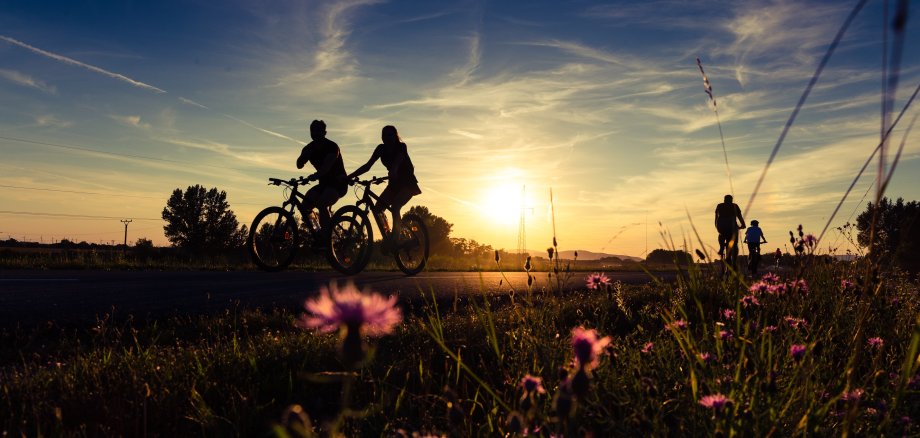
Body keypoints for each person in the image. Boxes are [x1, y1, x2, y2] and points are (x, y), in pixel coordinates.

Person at [347, 125, 422, 251]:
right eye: (383, 135)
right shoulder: (380, 149)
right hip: (393, 184)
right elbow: (367, 166)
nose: (386, 138)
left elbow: (398, 160)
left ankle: (396, 238)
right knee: (378, 209)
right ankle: (388, 236)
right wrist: (350, 176)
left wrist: (394, 170)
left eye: (389, 135)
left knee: (396, 206)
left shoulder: (401, 146)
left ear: (395, 136)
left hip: (407, 183)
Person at [295, 120, 348, 231]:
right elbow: (299, 165)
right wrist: (303, 157)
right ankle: (318, 231)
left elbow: (326, 167)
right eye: (313, 131)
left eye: (318, 130)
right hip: (323, 184)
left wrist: (315, 175)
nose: (315, 133)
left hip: (338, 183)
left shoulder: (332, 146)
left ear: (324, 132)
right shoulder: (308, 148)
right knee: (304, 206)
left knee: (321, 203)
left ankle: (326, 237)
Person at [714, 194, 746, 261]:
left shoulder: (719, 206)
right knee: (735, 244)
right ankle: (734, 260)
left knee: (721, 235)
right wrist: (743, 225)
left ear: (724, 200)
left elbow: (716, 217)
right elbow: (739, 216)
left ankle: (721, 247)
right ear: (731, 200)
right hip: (732, 227)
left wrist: (717, 226)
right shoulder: (735, 206)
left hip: (721, 226)